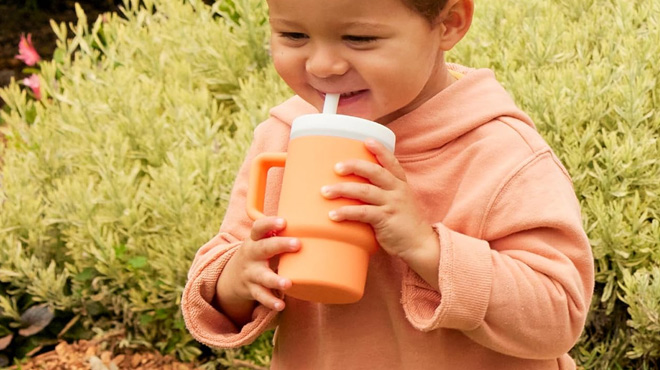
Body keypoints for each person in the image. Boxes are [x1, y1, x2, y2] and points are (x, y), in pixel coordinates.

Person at [181, 0, 594, 368]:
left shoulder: (500, 154)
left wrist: (425, 248)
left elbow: (559, 315)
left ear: (449, 22)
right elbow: (218, 280)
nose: (322, 65)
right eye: (293, 34)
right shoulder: (285, 136)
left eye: (359, 38)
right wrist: (238, 278)